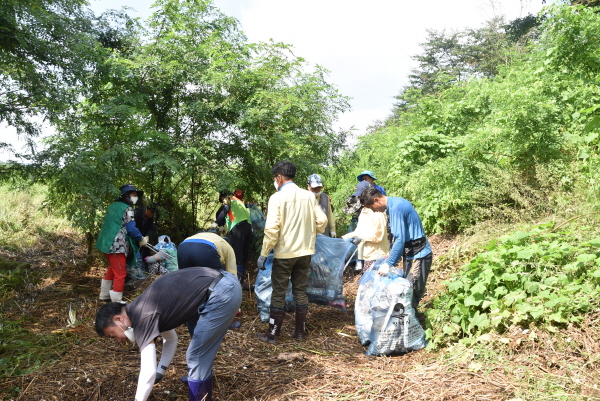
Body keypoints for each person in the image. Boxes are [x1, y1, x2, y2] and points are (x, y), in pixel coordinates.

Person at [95, 267, 242, 401]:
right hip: (224, 282)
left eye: (113, 335)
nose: (118, 340)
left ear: (118, 319)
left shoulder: (141, 318)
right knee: (199, 352)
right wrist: (161, 370)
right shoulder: (142, 307)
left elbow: (148, 372)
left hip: (222, 292)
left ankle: (200, 396)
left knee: (196, 355)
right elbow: (171, 339)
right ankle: (200, 385)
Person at [256, 161, 328, 343]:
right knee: (300, 291)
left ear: (279, 177)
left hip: (285, 254)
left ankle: (273, 334)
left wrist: (264, 253)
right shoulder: (309, 196)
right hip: (305, 253)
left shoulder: (277, 198)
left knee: (278, 293)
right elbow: (322, 222)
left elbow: (271, 229)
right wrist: (310, 230)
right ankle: (299, 332)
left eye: (275, 178)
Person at [359, 188, 432, 309]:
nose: (374, 211)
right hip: (410, 252)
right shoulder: (394, 203)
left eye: (371, 207)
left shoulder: (396, 208)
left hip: (419, 253)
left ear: (376, 200)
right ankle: (407, 316)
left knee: (412, 290)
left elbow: (400, 239)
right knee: (407, 288)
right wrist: (391, 253)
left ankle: (410, 318)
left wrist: (389, 264)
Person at [96, 184, 148, 303]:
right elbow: (131, 228)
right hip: (116, 244)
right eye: (133, 194)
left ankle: (104, 294)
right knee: (120, 273)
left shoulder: (113, 205)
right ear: (126, 195)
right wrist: (141, 238)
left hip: (104, 242)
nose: (135, 197)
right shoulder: (127, 208)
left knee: (113, 267)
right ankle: (116, 303)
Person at [342, 181, 389, 273]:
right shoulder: (364, 211)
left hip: (376, 255)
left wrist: (361, 237)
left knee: (372, 280)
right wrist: (344, 238)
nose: (360, 199)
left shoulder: (377, 212)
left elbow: (378, 236)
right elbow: (359, 231)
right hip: (366, 254)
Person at [211, 189, 252, 283]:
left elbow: (225, 210)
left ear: (223, 197)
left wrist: (217, 223)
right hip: (248, 228)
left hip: (238, 228)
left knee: (238, 255)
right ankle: (242, 279)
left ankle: (238, 281)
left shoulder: (227, 200)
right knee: (244, 253)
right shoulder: (239, 202)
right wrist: (222, 225)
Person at [306, 174, 336, 238]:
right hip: (308, 235)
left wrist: (332, 230)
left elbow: (329, 214)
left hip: (324, 235)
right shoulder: (303, 198)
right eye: (314, 188)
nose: (316, 190)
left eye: (319, 187)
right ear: (308, 186)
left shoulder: (325, 197)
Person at [134, 203, 157, 272]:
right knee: (133, 257)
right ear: (148, 210)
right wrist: (139, 237)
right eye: (153, 213)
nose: (153, 215)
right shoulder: (136, 213)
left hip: (144, 240)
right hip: (133, 239)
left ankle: (146, 272)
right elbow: (131, 228)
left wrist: (147, 236)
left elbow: (152, 228)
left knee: (146, 255)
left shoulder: (150, 218)